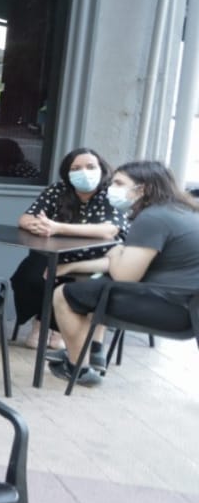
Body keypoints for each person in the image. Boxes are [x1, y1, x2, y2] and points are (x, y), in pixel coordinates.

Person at [49, 160, 199, 386]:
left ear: (143, 189)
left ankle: (77, 367)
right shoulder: (184, 212)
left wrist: (116, 251)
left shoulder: (152, 218)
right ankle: (93, 351)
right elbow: (124, 263)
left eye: (119, 183)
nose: (112, 188)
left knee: (64, 294)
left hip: (172, 310)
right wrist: (72, 267)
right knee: (91, 286)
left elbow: (125, 275)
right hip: (186, 306)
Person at [10, 148, 125, 349]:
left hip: (93, 261)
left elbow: (109, 230)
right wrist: (37, 225)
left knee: (68, 283)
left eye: (90, 166)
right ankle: (40, 322)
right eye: (77, 168)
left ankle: (58, 329)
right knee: (28, 276)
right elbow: (26, 218)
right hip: (52, 253)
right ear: (68, 173)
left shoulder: (110, 194)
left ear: (102, 169)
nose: (84, 172)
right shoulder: (58, 190)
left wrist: (58, 227)